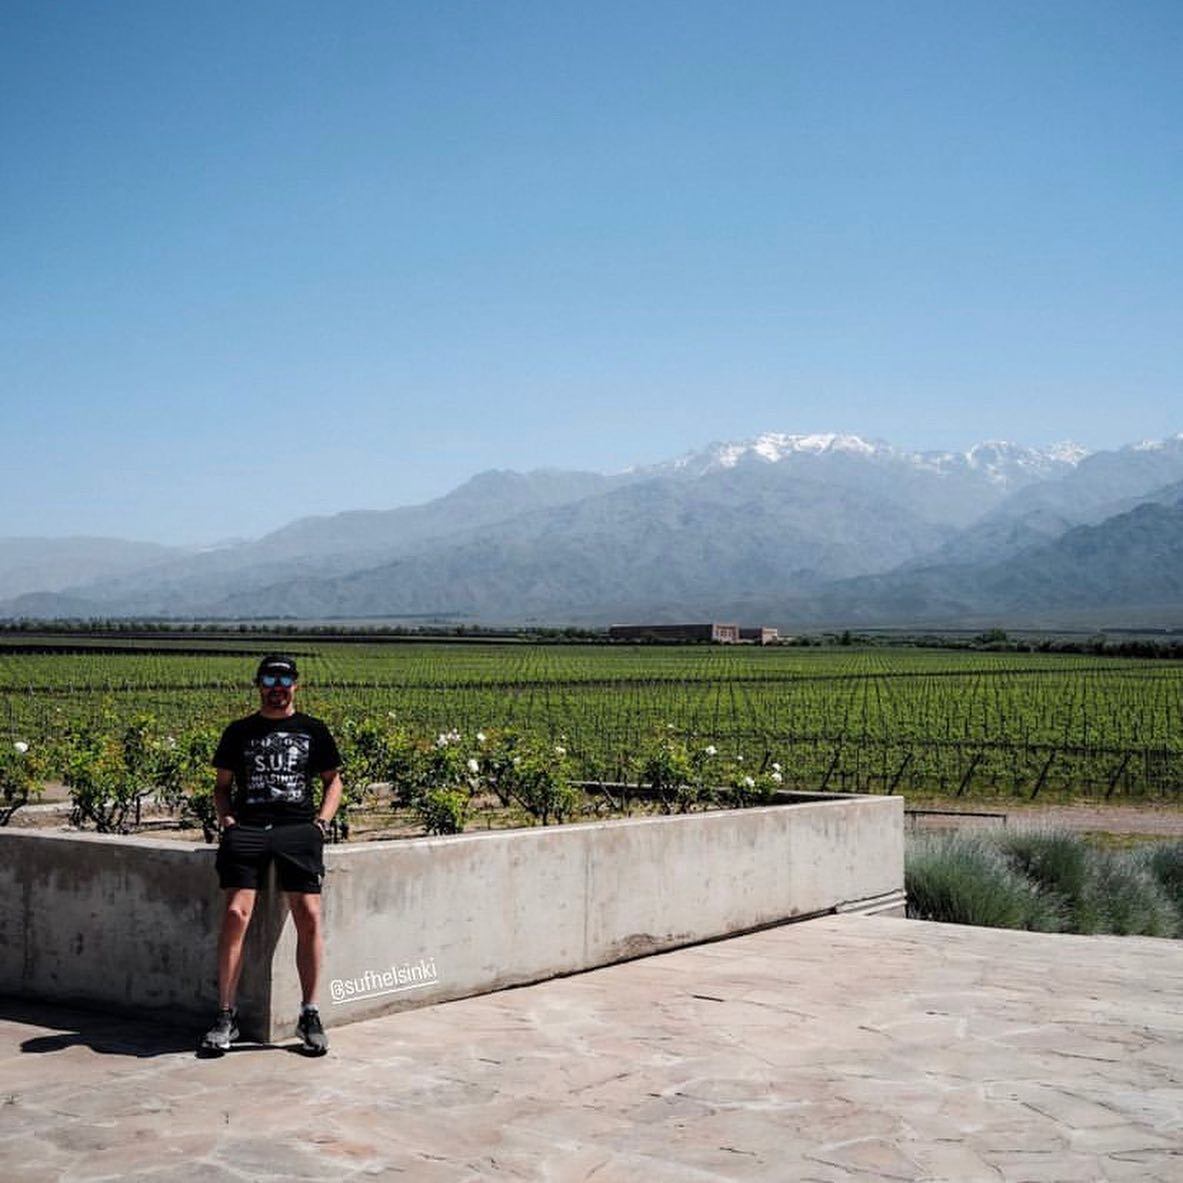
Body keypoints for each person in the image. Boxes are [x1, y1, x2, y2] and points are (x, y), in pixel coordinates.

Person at [200, 654, 343, 1056]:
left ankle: (309, 1013)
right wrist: (227, 819)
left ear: (296, 684)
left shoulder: (314, 730)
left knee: (310, 915)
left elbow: (334, 781)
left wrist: (321, 823)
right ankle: (225, 1015)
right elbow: (222, 787)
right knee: (234, 915)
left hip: (298, 830)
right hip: (247, 830)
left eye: (284, 678)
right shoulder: (239, 732)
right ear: (258, 684)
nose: (277, 686)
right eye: (269, 678)